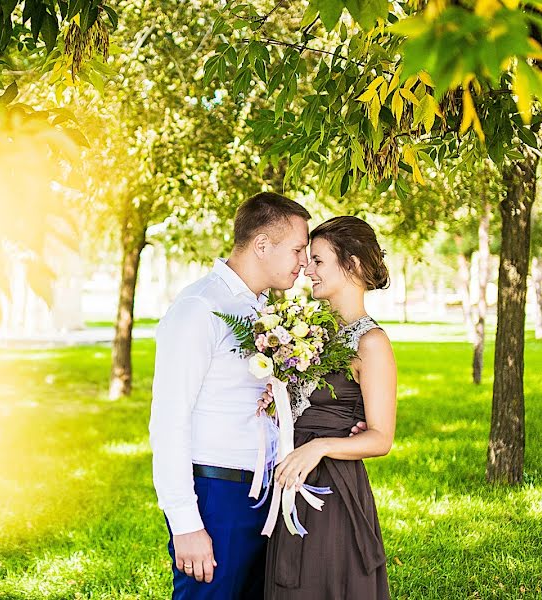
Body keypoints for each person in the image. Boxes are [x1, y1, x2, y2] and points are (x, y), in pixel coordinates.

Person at [150, 192, 365, 599]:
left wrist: (336, 426)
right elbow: (168, 421)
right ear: (262, 245)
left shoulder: (262, 309)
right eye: (299, 250)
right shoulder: (200, 308)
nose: (304, 263)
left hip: (267, 495)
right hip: (217, 495)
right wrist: (186, 524)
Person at [260, 215, 397, 599]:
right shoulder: (317, 333)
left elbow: (381, 438)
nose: (306, 269)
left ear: (351, 264)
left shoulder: (371, 343)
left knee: (319, 583)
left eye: (318, 260)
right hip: (290, 475)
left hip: (330, 490)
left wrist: (320, 446)